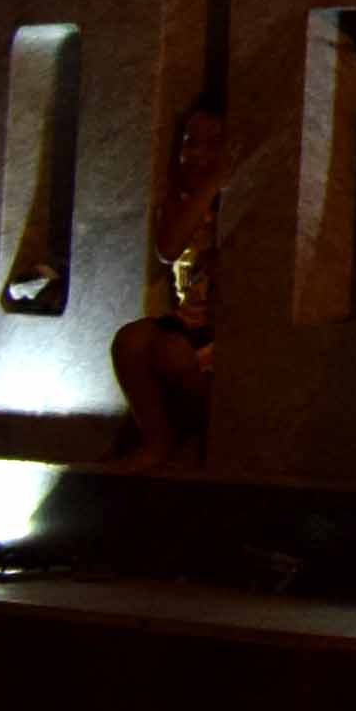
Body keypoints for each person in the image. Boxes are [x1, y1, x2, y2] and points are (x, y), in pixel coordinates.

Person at [100, 102, 229, 468]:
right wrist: (208, 187)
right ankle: (157, 441)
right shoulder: (179, 201)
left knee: (172, 353)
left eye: (212, 144)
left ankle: (200, 439)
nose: (198, 154)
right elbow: (168, 248)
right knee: (130, 341)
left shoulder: (239, 199)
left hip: (222, 334)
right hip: (187, 322)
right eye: (190, 142)